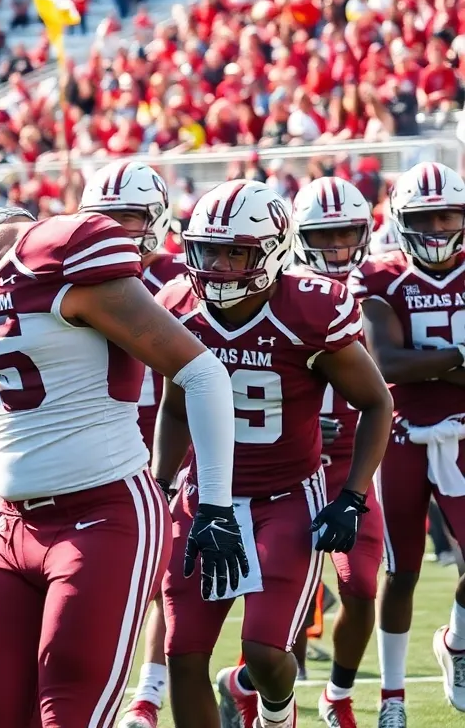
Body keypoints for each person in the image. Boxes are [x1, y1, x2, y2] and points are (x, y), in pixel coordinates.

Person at [0, 202, 240, 727]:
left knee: (70, 709)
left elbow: (204, 374)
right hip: (12, 526)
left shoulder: (66, 272)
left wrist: (215, 504)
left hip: (101, 517)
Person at [154, 181, 391, 728]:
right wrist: (160, 485)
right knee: (184, 653)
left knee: (264, 652)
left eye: (234, 250)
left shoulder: (309, 308)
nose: (216, 264)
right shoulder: (178, 307)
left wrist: (352, 496)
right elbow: (172, 407)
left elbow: (376, 402)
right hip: (202, 495)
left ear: (271, 250)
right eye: (207, 249)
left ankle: (276, 716)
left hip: (285, 497)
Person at [349, 162, 465, 723]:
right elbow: (386, 361)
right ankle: (391, 697)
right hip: (400, 438)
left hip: (464, 433)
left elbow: (405, 361)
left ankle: (457, 643)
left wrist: (426, 367)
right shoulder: (380, 276)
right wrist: (459, 360)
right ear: (401, 222)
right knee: (403, 571)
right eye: (427, 218)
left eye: (449, 216)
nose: (440, 229)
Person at [76, 161, 186, 728]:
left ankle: (148, 691)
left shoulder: (184, 280)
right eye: (106, 218)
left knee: (166, 581)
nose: (118, 230)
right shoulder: (67, 279)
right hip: (93, 456)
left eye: (130, 218)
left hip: (162, 447)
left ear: (157, 219)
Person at [289, 177, 387, 725]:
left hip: (353, 464)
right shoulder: (279, 291)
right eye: (323, 236)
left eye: (347, 234)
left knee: (361, 584)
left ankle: (339, 694)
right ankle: (274, 699)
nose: (337, 249)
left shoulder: (378, 287)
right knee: (291, 599)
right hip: (290, 464)